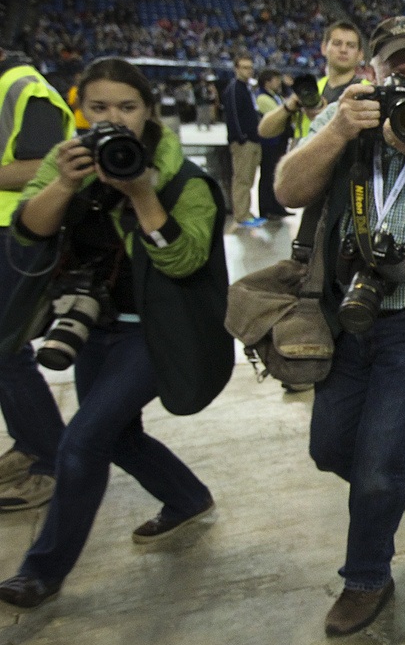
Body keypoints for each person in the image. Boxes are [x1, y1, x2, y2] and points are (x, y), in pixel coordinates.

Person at [0, 57, 233, 609]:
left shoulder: (184, 179)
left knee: (81, 441)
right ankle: (186, 498)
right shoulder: (69, 160)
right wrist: (64, 182)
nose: (112, 119)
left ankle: (42, 570)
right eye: (98, 107)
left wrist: (141, 192)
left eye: (126, 107)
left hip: (153, 332)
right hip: (90, 326)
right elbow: (28, 232)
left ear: (148, 112)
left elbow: (184, 260)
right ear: (81, 109)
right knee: (119, 435)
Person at [273, 16, 405, 638]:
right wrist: (336, 129)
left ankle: (366, 577)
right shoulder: (345, 117)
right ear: (373, 75)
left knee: (376, 463)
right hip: (348, 309)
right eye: (398, 73)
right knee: (331, 448)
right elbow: (286, 189)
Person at [0, 46, 73, 512]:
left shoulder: (27, 90)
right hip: (10, 229)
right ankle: (29, 445)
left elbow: (44, 167)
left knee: (6, 349)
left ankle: (51, 460)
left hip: (18, 234)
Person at [259, 21, 365, 144]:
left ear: (360, 54)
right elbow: (265, 131)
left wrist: (326, 119)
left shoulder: (366, 91)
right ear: (324, 48)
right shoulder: (310, 89)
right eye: (337, 43)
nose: (343, 50)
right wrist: (289, 107)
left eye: (351, 46)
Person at [222, 53, 265, 228]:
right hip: (243, 142)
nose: (249, 71)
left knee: (249, 178)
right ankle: (241, 215)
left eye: (250, 68)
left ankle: (247, 211)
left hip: (253, 139)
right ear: (236, 69)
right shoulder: (234, 89)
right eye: (245, 67)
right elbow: (233, 117)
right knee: (242, 179)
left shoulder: (246, 89)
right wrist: (241, 138)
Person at [253, 69, 291, 221]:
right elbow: (280, 114)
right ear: (267, 81)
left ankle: (277, 206)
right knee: (268, 175)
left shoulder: (275, 96)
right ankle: (266, 208)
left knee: (276, 175)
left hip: (279, 141)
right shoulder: (263, 98)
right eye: (276, 79)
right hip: (269, 142)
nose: (279, 82)